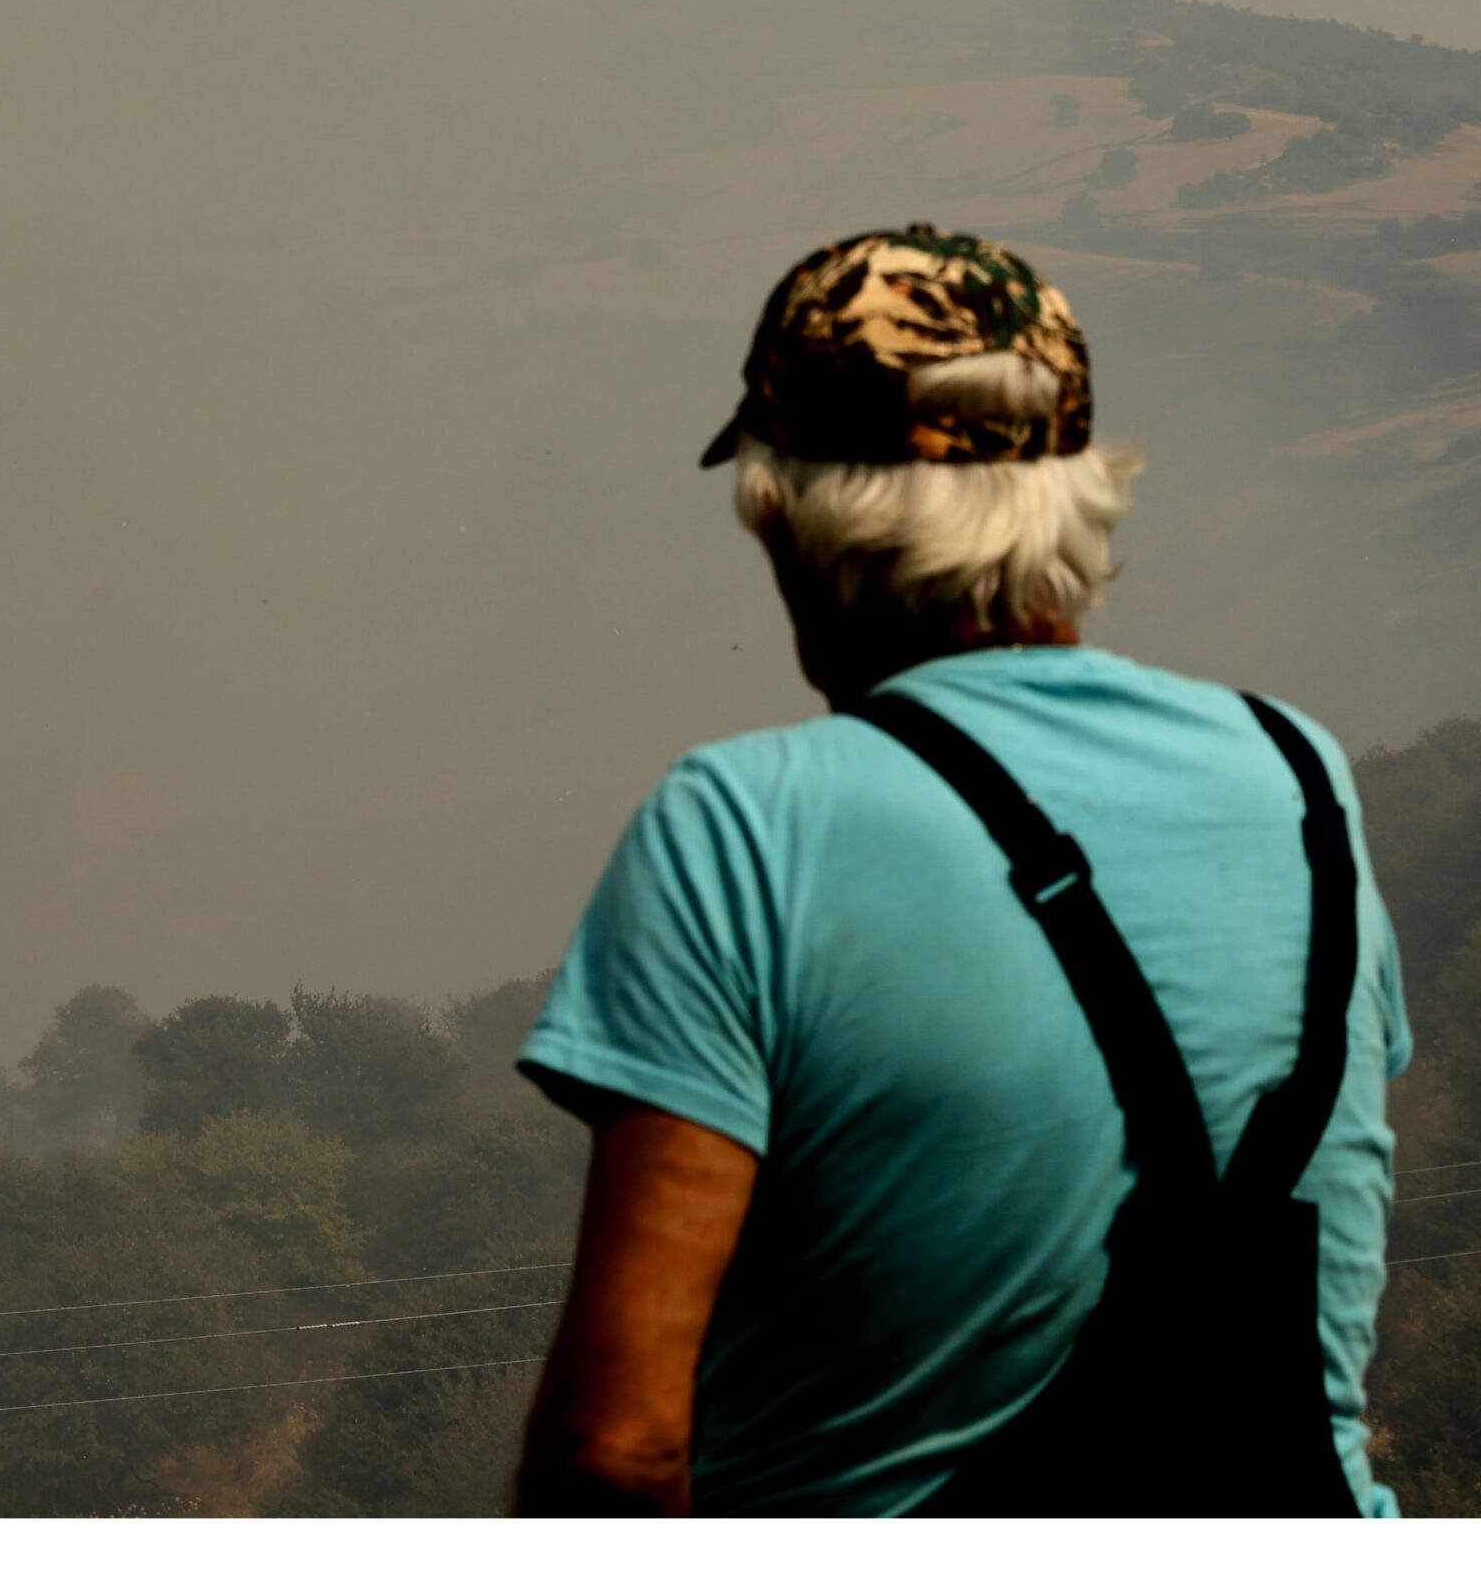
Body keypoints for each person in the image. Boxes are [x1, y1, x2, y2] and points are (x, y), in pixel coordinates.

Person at [512, 225, 1411, 1518]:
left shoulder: (744, 825)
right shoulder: (1301, 777)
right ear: (1077, 493)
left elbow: (619, 1450)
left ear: (791, 515)